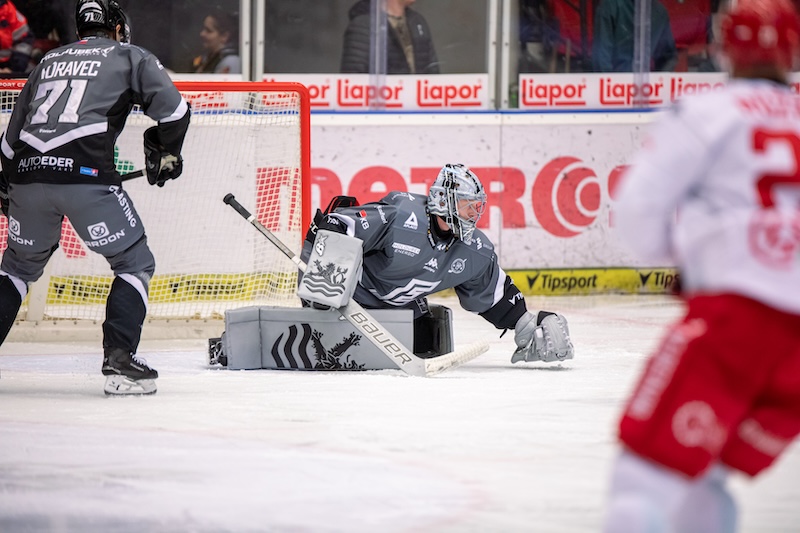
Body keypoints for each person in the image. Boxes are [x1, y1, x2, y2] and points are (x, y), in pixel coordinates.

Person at [604, 0, 800, 530]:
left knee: (642, 481)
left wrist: (693, 250)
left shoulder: (706, 114)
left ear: (723, 48)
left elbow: (638, 216)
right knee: (704, 477)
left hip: (737, 322)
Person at [0, 0, 191, 395]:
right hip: (86, 177)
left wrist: (7, 194)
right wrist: (165, 151)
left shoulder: (48, 61)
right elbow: (175, 114)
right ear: (118, 28)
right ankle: (120, 364)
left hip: (26, 177)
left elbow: (7, 146)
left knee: (16, 270)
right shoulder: (129, 55)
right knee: (134, 262)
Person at [300, 164, 575, 365]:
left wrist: (529, 326)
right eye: (467, 205)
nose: (473, 213)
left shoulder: (474, 250)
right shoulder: (401, 217)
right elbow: (337, 223)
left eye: (476, 207)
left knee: (425, 341)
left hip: (402, 311)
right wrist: (322, 288)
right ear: (444, 201)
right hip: (354, 299)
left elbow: (494, 296)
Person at [340, 0, 439, 74]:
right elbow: (353, 81)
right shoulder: (364, 26)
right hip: (381, 95)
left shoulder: (417, 22)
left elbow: (433, 73)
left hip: (416, 95)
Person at [592, 0, 678, 72]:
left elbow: (668, 57)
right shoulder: (610, 6)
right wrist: (612, 84)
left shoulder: (660, 13)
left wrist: (658, 82)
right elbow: (601, 59)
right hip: (616, 82)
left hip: (643, 82)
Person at [192, 9, 240, 74]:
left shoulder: (231, 61)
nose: (202, 34)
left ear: (224, 36)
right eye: (203, 29)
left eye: (208, 31)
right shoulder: (207, 59)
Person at [0, 0, 34, 74]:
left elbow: (24, 41)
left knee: (34, 72)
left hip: (10, 66)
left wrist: (14, 69)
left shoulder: (9, 11)